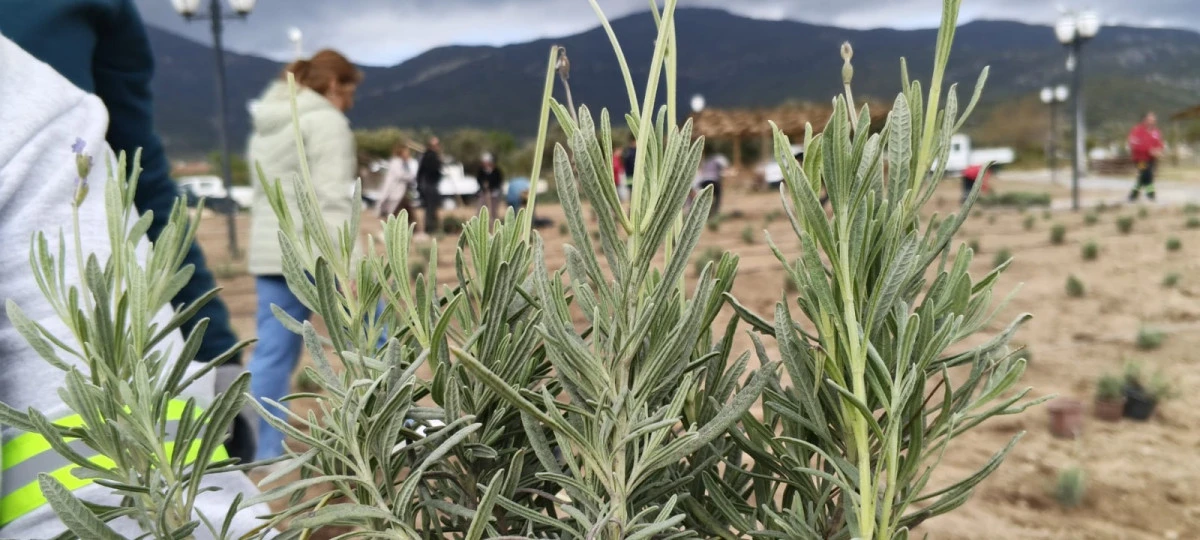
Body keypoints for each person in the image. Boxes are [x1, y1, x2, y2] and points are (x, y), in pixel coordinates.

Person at [0, 31, 267, 538]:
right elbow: (152, 189)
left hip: (82, 217)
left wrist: (216, 348)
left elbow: (148, 187)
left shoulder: (32, 106)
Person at [246, 49, 362, 463]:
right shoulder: (326, 121)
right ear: (333, 85)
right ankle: (399, 434)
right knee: (371, 339)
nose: (350, 101)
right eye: (349, 91)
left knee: (272, 353)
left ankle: (261, 452)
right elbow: (331, 198)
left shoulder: (268, 122)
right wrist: (349, 266)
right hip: (317, 252)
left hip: (271, 251)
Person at [1128, 112, 1165, 202]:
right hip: (1139, 159)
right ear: (1144, 120)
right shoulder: (1137, 130)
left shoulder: (1156, 132)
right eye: (1150, 119)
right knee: (1147, 174)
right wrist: (1149, 150)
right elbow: (1134, 144)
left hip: (1151, 159)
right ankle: (1151, 195)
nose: (1152, 121)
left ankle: (1133, 194)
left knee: (1143, 176)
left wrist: (1159, 150)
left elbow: (1160, 143)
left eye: (1154, 119)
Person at [378, 142, 417, 221]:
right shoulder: (396, 162)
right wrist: (411, 177)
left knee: (405, 211)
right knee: (393, 211)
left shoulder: (403, 162)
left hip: (402, 192)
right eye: (406, 152)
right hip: (395, 190)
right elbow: (400, 175)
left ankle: (415, 229)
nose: (408, 154)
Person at [417, 136, 444, 235]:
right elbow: (431, 170)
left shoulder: (429, 155)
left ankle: (432, 227)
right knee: (430, 208)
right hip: (429, 185)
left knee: (432, 207)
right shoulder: (430, 156)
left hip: (430, 184)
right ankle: (429, 228)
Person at [476, 152, 505, 218]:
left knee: (493, 210)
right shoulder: (481, 171)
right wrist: (483, 185)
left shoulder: (496, 171)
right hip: (484, 192)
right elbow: (479, 180)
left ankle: (493, 222)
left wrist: (492, 187)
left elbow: (499, 181)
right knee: (481, 208)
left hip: (494, 193)